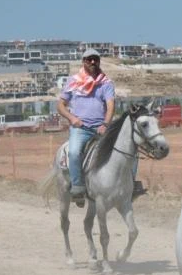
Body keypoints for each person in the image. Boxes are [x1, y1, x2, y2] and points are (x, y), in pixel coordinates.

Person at [57, 49, 142, 199]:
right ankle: (77, 186)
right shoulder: (73, 81)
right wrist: (72, 119)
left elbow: (110, 105)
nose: (92, 62)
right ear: (83, 61)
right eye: (89, 59)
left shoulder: (106, 83)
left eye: (95, 59)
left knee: (130, 150)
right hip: (80, 128)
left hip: (101, 127)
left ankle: (131, 184)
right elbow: (61, 105)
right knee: (74, 152)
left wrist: (105, 124)